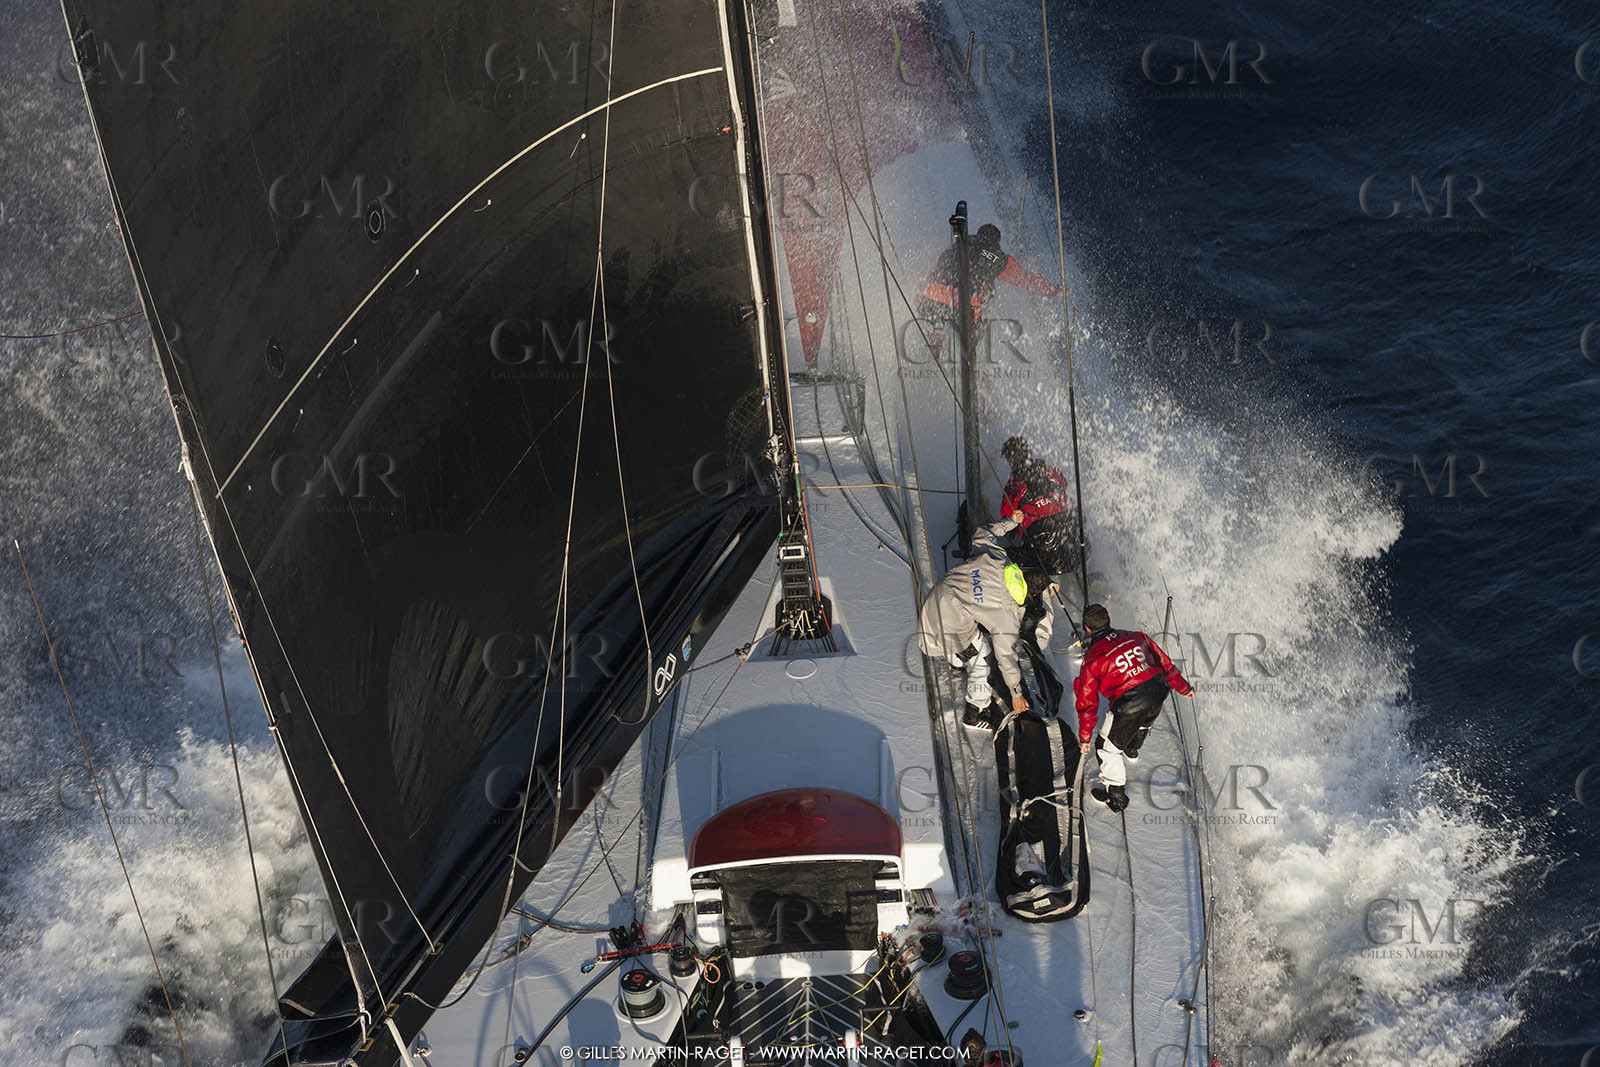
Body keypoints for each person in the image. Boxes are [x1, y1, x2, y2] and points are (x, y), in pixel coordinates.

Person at [917, 515, 1053, 731]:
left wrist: (1011, 522)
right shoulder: (1006, 612)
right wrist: (1016, 693)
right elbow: (1006, 656)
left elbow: (983, 532)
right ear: (1032, 594)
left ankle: (957, 659)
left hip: (932, 604)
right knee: (984, 657)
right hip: (943, 631)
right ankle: (974, 713)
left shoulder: (996, 557)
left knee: (973, 630)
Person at [1073, 604, 1194, 812]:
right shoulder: (1137, 636)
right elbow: (1165, 663)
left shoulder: (1092, 659)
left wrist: (1085, 738)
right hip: (1158, 690)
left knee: (1106, 748)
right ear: (1109, 620)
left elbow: (1087, 701)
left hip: (1130, 704)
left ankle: (1116, 797)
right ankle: (1132, 748)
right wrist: (1184, 687)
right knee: (1145, 718)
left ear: (1087, 628)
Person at [915, 223, 1060, 355]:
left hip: (929, 297)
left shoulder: (958, 245)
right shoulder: (996, 257)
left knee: (936, 318)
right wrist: (1052, 290)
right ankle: (971, 361)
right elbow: (1025, 279)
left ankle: (936, 342)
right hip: (963, 304)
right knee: (979, 322)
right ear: (996, 242)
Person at [999, 436, 1080, 576]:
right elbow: (1064, 486)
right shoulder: (1050, 470)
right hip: (1076, 545)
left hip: (1044, 557)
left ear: (1012, 459)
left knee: (1001, 558)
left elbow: (1006, 519)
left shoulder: (1014, 484)